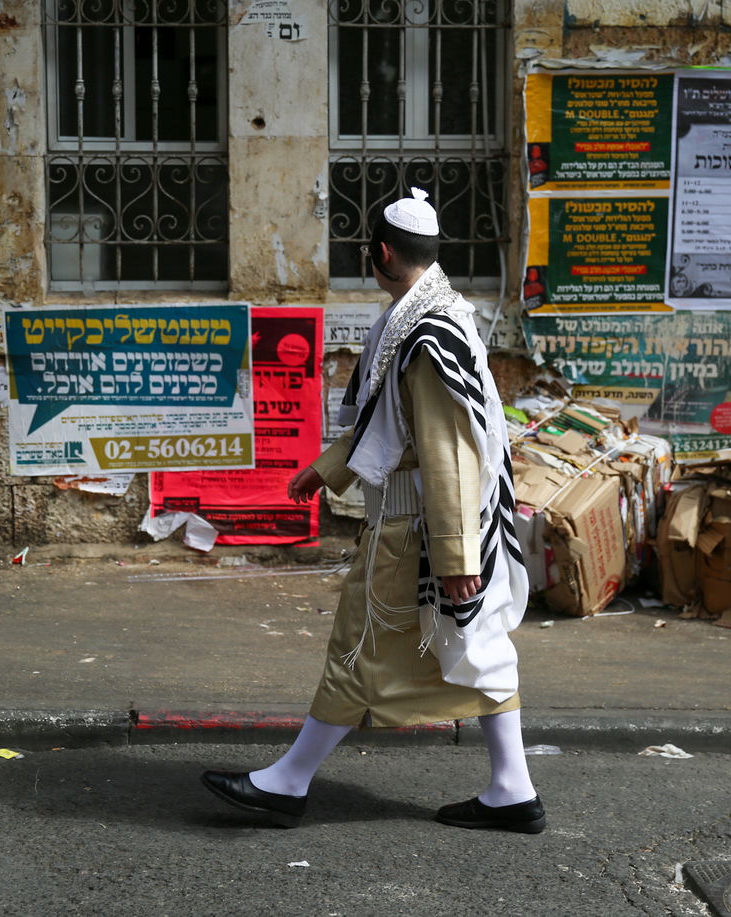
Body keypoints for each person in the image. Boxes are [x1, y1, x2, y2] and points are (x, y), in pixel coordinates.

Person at [202, 188, 542, 833]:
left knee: (357, 649)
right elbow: (394, 425)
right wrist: (326, 469)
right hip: (430, 526)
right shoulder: (426, 316)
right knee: (476, 648)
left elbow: (447, 454)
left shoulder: (425, 337)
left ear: (381, 253)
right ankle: (512, 789)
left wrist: (454, 558)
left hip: (415, 532)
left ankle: (287, 782)